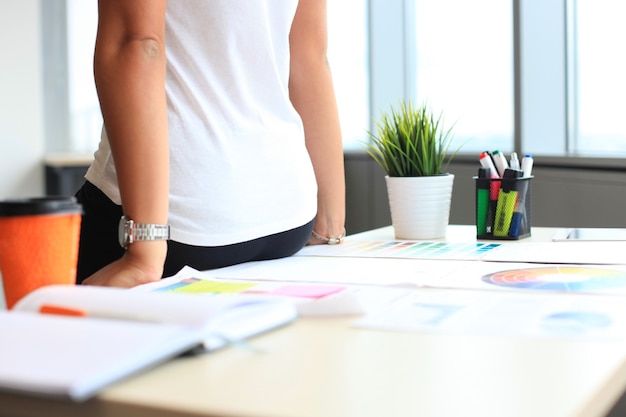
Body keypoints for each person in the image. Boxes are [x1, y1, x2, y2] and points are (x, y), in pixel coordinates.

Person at [75, 0, 345, 287]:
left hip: (174, 228)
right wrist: (330, 224)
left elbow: (135, 41)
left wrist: (144, 254)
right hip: (288, 219)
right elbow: (310, 56)